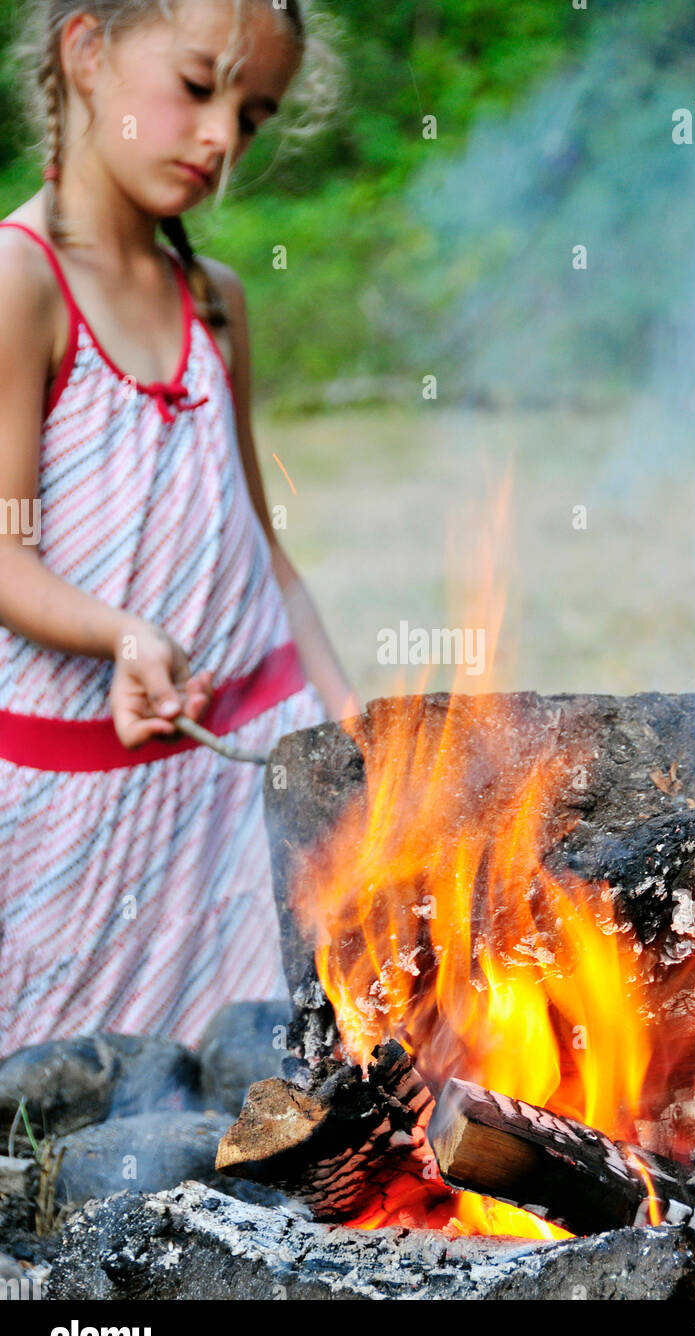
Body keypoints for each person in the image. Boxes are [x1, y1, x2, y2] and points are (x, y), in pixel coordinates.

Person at [0, 0, 358, 1052]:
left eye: (251, 114)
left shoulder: (216, 301)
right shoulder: (22, 283)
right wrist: (122, 632)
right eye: (199, 88)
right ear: (87, 52)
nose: (221, 140)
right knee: (74, 1124)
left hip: (240, 790)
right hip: (83, 819)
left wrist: (351, 726)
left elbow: (262, 543)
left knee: (249, 1110)